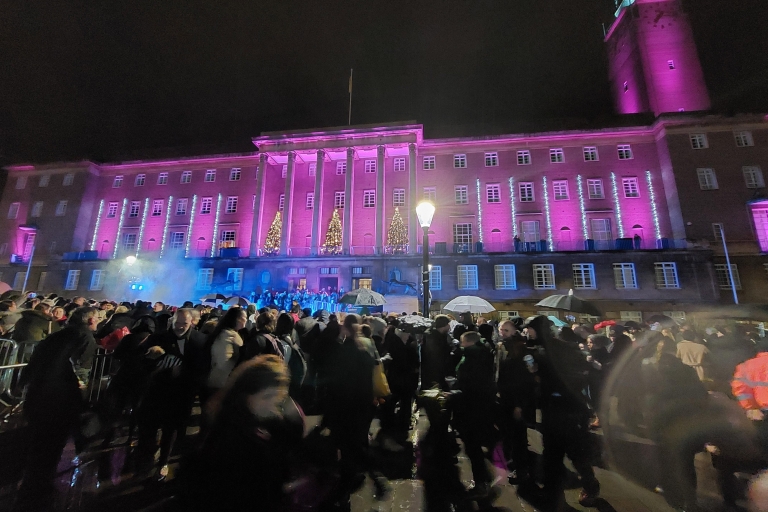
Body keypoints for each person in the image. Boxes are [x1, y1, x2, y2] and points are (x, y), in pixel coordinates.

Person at [181, 355, 304, 511]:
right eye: (266, 397)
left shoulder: (264, 421)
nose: (273, 403)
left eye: (277, 396)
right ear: (246, 395)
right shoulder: (231, 434)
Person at [15, 307, 100, 512]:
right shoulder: (86, 338)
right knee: (51, 448)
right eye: (97, 318)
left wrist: (23, 387)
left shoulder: (56, 336)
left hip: (38, 398)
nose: (98, 321)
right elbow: (81, 375)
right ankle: (38, 495)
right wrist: (82, 404)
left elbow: (34, 364)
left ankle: (29, 488)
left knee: (38, 446)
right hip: (60, 401)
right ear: (89, 321)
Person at [525, 315, 600, 508]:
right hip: (551, 408)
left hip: (568, 408)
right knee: (551, 454)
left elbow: (581, 373)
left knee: (576, 453)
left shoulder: (561, 347)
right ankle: (552, 493)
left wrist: (553, 385)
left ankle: (591, 487)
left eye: (530, 329)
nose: (527, 332)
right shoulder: (537, 349)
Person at [324, 314, 388, 500]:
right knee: (356, 441)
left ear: (344, 328)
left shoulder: (343, 350)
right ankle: (362, 475)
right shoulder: (365, 347)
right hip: (363, 401)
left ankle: (354, 479)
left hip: (346, 403)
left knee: (348, 444)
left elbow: (336, 381)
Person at [453, 331, 497, 498]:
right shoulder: (483, 354)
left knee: (473, 446)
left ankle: (481, 484)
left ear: (468, 342)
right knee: (474, 445)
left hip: (471, 408)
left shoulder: (471, 358)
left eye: (462, 342)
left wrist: (455, 391)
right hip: (480, 407)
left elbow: (469, 385)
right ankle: (483, 480)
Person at [497, 319, 537, 490]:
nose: (503, 332)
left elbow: (525, 379)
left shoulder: (521, 349)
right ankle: (514, 462)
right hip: (504, 398)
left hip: (516, 399)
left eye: (506, 330)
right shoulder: (501, 347)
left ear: (514, 331)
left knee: (518, 435)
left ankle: (523, 470)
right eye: (501, 329)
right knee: (508, 433)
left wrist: (520, 404)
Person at [206, 307, 247, 391]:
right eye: (245, 317)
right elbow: (223, 361)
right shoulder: (227, 335)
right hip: (222, 383)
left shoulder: (230, 333)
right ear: (238, 319)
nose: (246, 320)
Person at [421, 315, 453, 391]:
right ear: (444, 325)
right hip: (434, 373)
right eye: (448, 324)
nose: (449, 326)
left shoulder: (440, 335)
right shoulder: (432, 337)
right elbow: (435, 356)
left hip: (437, 371)